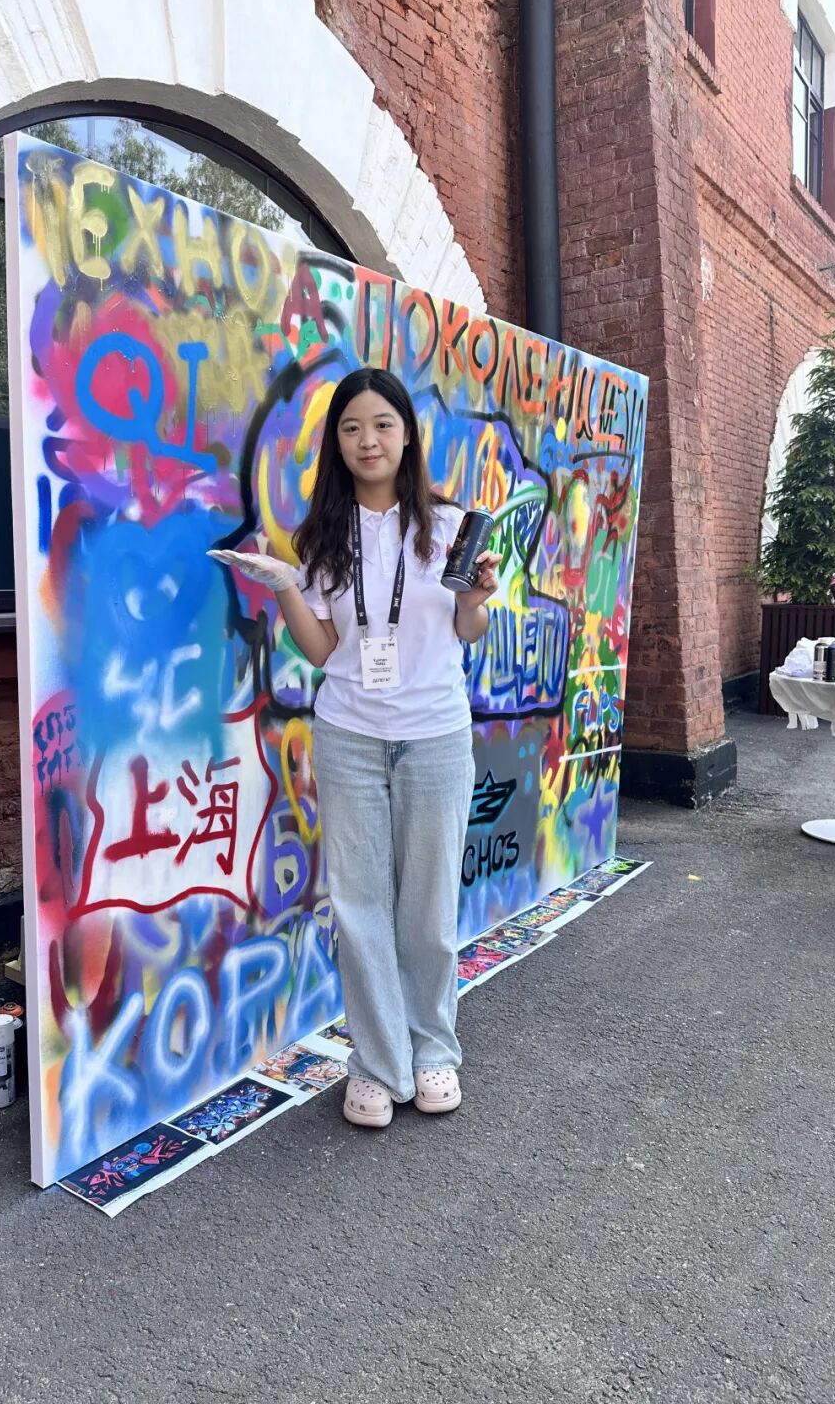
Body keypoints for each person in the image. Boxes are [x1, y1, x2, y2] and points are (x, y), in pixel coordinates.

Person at [210, 367, 500, 1128]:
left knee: (428, 909)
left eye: (381, 424)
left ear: (406, 435)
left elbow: (467, 630)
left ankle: (433, 1050)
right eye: (350, 428)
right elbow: (323, 648)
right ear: (336, 443)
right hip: (348, 738)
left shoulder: (451, 527)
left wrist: (476, 602)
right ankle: (376, 1064)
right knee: (361, 907)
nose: (367, 440)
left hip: (435, 736)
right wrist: (283, 584)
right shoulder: (323, 537)